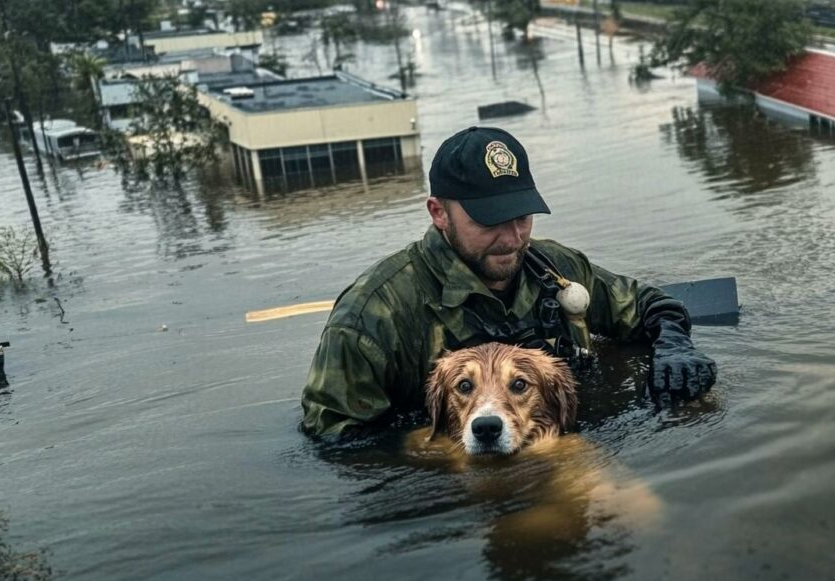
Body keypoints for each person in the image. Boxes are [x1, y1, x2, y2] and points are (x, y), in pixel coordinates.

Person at [300, 126, 717, 438]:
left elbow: (650, 305)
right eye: (489, 221)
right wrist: (448, 450)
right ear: (438, 213)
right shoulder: (374, 313)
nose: (512, 238)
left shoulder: (554, 266)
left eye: (520, 216)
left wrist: (675, 348)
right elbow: (334, 438)